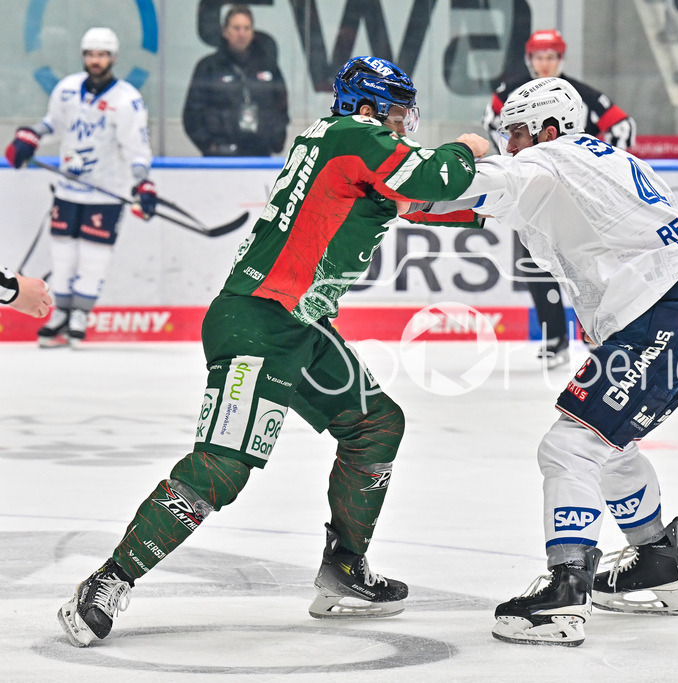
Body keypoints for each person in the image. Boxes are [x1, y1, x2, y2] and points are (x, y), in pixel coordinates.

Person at [57, 56, 489, 648]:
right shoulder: (353, 135)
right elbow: (437, 180)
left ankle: (345, 567)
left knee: (375, 423)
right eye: (395, 112)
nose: (402, 125)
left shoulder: (349, 148)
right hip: (258, 320)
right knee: (223, 468)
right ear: (366, 107)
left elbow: (432, 205)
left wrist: (517, 198)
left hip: (297, 325)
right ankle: (107, 581)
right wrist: (468, 148)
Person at [448, 77, 678, 646]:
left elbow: (453, 186)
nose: (509, 144)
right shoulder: (605, 160)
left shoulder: (548, 160)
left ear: (549, 129)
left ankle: (566, 590)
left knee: (568, 446)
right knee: (608, 446)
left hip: (671, 310)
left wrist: (452, 155)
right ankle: (653, 563)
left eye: (515, 134)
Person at [484, 29, 637, 368]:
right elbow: (493, 124)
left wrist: (602, 168)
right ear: (530, 59)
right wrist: (514, 165)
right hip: (533, 191)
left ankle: (594, 331)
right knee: (535, 263)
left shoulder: (577, 94)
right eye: (539, 56)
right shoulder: (508, 93)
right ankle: (554, 338)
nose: (545, 63)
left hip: (573, 195)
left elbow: (622, 126)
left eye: (551, 57)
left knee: (586, 262)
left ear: (560, 59)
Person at [4, 27, 156, 348]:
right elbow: (52, 123)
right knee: (62, 255)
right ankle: (60, 313)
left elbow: (136, 148)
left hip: (106, 192)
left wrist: (143, 183)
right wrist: (29, 136)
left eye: (101, 55)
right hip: (68, 189)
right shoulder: (67, 89)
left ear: (113, 57)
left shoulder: (127, 99)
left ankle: (80, 316)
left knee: (93, 257)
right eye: (90, 54)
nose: (95, 60)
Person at [183, 4, 289, 156]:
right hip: (220, 158)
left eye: (247, 28)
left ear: (253, 32)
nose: (242, 33)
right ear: (225, 31)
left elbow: (281, 106)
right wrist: (209, 145)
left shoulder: (268, 67)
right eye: (236, 28)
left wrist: (276, 140)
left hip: (260, 156)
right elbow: (192, 113)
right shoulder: (208, 67)